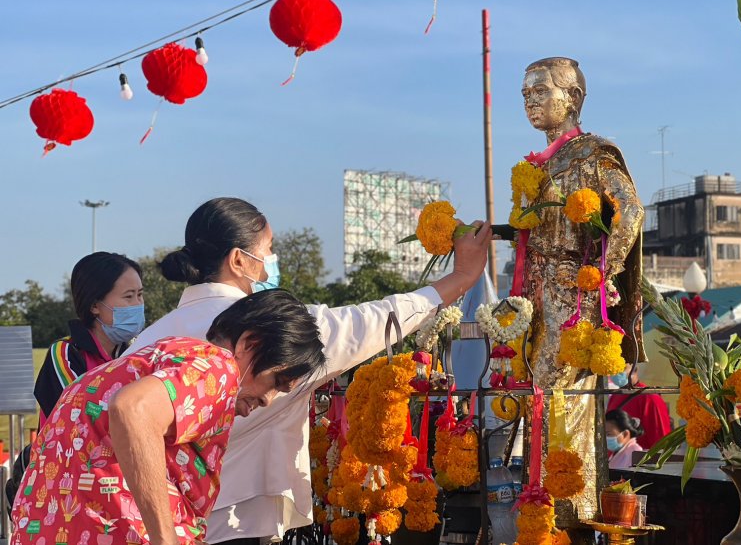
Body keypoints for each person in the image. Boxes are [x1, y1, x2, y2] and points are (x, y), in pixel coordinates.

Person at [128, 197, 492, 544]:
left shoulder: (146, 339)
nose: (271, 259)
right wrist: (461, 276)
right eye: (268, 248)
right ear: (239, 260)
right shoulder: (273, 332)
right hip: (225, 521)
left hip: (141, 518)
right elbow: (377, 319)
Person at [10, 290, 327, 545]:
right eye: (275, 382)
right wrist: (166, 538)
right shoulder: (217, 367)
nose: (267, 400)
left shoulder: (155, 359)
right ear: (250, 344)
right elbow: (132, 411)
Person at [518, 57, 645, 534]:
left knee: (564, 405)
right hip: (538, 297)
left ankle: (569, 518)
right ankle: (541, 512)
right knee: (541, 404)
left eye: (540, 92)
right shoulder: (541, 164)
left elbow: (629, 212)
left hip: (574, 298)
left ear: (571, 98)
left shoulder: (593, 154)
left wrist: (599, 272)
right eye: (525, 94)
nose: (530, 101)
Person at [35, 251, 145, 426]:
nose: (138, 304)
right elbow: (79, 414)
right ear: (94, 306)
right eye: (128, 296)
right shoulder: (66, 353)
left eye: (140, 294)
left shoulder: (139, 351)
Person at [608, 364, 671, 450]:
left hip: (640, 461)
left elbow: (662, 443)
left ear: (634, 368)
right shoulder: (614, 397)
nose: (617, 372)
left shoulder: (650, 398)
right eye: (613, 368)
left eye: (622, 367)